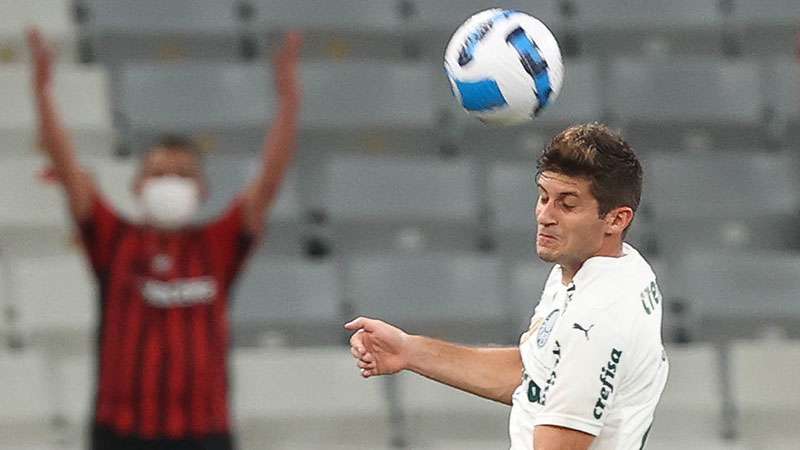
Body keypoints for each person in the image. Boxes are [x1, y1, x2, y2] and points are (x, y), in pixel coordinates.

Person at [27, 27, 302, 450]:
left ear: (202, 190)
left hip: (204, 432)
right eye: (158, 172)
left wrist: (288, 101)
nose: (169, 182)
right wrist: (42, 91)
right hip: (121, 432)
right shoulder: (112, 239)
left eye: (182, 174)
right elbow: (66, 166)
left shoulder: (218, 243)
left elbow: (268, 183)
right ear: (137, 186)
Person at [346, 123, 668, 450]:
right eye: (544, 197)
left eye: (567, 204)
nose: (545, 215)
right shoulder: (594, 268)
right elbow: (532, 374)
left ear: (616, 219)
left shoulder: (598, 317)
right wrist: (409, 350)